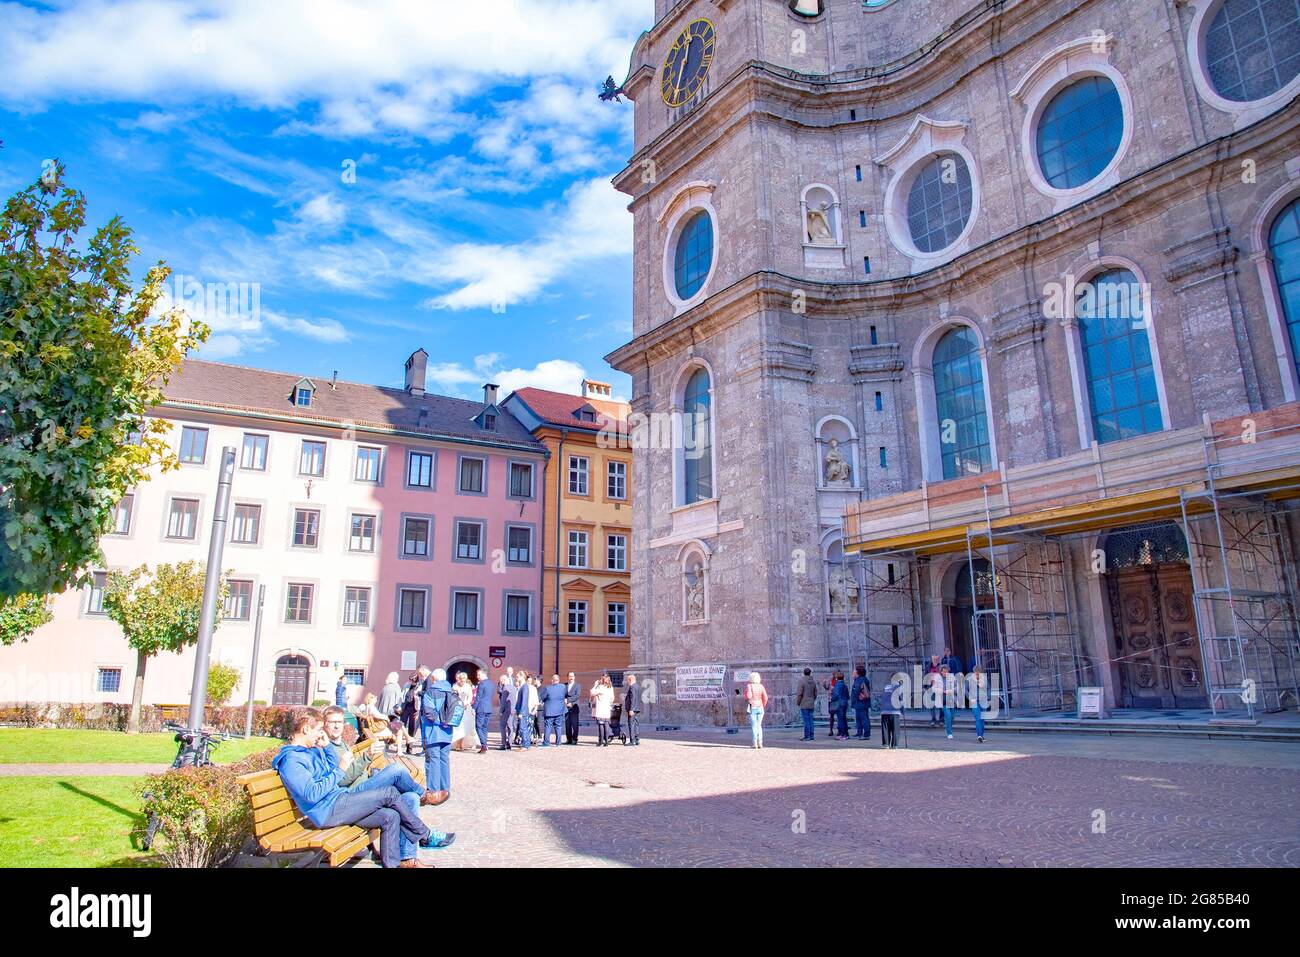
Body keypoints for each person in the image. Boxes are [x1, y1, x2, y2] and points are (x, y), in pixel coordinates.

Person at [273, 707, 434, 868]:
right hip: (327, 811)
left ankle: (393, 864)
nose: (320, 734)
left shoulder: (309, 751)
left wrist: (328, 747)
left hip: (338, 801)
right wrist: (341, 769)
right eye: (318, 730)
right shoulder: (292, 761)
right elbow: (312, 795)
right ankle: (425, 834)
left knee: (390, 816)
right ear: (306, 729)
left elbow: (329, 771)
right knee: (389, 793)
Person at [419, 668, 455, 801]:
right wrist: (446, 722)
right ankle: (445, 788)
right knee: (444, 759)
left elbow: (428, 712)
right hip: (447, 731)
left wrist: (439, 722)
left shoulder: (431, 692)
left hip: (433, 731)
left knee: (433, 759)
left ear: (434, 679)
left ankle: (433, 790)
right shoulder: (451, 690)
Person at [451, 671, 477, 752]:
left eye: (464, 680)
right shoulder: (455, 686)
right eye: (461, 680)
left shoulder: (468, 686)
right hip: (457, 708)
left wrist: (466, 703)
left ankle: (462, 744)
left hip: (466, 709)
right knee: (457, 727)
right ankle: (457, 744)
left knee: (465, 726)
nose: (463, 682)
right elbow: (452, 697)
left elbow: (470, 697)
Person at [539, 674, 567, 747]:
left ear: (552, 680)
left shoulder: (547, 688)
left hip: (549, 711)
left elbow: (543, 697)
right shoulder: (563, 687)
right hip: (560, 710)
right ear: (559, 680)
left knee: (548, 727)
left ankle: (546, 743)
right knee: (558, 726)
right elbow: (565, 695)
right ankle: (558, 743)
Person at [744, 671, 768, 749]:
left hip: (752, 706)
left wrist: (746, 692)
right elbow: (765, 697)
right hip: (760, 706)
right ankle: (760, 743)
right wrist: (763, 705)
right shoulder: (761, 686)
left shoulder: (749, 686)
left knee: (754, 726)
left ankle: (755, 743)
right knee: (759, 726)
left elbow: (749, 696)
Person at [514, 672, 538, 749]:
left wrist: (521, 712)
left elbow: (524, 700)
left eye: (517, 676)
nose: (516, 678)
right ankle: (526, 745)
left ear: (522, 677)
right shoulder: (522, 686)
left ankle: (525, 745)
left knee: (523, 728)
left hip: (523, 711)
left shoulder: (524, 687)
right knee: (523, 728)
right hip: (522, 711)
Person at [880, 674, 904, 749]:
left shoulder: (886, 687)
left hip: (884, 710)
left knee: (885, 728)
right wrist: (902, 711)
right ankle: (894, 745)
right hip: (894, 710)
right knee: (895, 728)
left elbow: (883, 697)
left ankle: (886, 744)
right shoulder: (899, 688)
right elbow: (901, 700)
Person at [400, 672, 422, 754]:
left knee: (412, 728)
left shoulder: (420, 686)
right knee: (402, 725)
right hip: (406, 707)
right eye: (411, 680)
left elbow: (419, 699)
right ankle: (399, 744)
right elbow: (402, 695)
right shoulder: (407, 685)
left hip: (414, 708)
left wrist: (418, 710)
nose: (411, 682)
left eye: (413, 680)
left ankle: (409, 746)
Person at [473, 669, 494, 754]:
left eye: (478, 675)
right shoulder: (492, 683)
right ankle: (485, 745)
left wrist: (474, 708)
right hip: (489, 708)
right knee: (484, 727)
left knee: (478, 727)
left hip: (481, 708)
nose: (477, 677)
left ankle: (484, 745)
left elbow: (478, 697)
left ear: (483, 674)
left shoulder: (482, 684)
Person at [590, 675, 614, 746]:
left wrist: (595, 685)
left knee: (601, 724)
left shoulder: (600, 687)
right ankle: (606, 741)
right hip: (606, 708)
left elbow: (592, 692)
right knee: (606, 725)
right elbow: (612, 698)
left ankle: (601, 741)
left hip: (600, 709)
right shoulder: (610, 688)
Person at [795, 667, 817, 741]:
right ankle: (811, 735)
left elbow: (799, 693)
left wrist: (798, 702)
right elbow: (815, 693)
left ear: (804, 673)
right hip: (811, 703)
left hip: (804, 703)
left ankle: (807, 736)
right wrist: (813, 700)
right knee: (811, 719)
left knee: (806, 720)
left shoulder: (802, 681)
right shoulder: (813, 681)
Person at [851, 665, 872, 740]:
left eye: (854, 671)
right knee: (860, 718)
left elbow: (856, 690)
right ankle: (860, 733)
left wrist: (856, 697)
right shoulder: (864, 679)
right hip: (863, 702)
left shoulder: (859, 680)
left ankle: (866, 734)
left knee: (863, 718)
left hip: (860, 702)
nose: (853, 672)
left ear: (858, 672)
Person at [969, 663, 987, 743]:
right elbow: (965, 689)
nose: (977, 674)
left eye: (979, 673)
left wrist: (988, 696)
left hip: (983, 700)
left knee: (982, 719)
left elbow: (989, 688)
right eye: (976, 673)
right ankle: (979, 735)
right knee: (978, 718)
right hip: (974, 701)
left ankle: (982, 735)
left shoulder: (984, 679)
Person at [497, 673, 515, 750]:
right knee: (510, 726)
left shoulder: (505, 688)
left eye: (501, 681)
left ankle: (503, 744)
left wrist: (501, 711)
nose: (501, 683)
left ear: (504, 680)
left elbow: (503, 701)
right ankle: (510, 743)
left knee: (502, 726)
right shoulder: (514, 687)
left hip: (505, 710)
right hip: (512, 709)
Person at [830, 671, 850, 740]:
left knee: (840, 719)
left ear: (836, 678)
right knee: (844, 718)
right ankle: (846, 733)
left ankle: (842, 734)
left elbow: (836, 694)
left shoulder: (837, 685)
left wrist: (832, 698)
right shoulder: (844, 685)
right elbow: (847, 695)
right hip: (844, 703)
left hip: (839, 703)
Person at [564, 672, 582, 744]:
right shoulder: (564, 685)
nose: (571, 677)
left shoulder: (577, 685)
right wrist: (565, 702)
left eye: (572, 676)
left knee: (575, 725)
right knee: (567, 725)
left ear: (574, 677)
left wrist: (569, 702)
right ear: (567, 677)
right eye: (569, 676)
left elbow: (577, 695)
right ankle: (569, 739)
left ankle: (575, 739)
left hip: (574, 707)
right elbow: (563, 695)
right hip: (566, 708)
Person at [940, 664, 957, 739]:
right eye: (943, 671)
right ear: (941, 672)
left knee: (952, 716)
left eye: (946, 671)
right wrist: (943, 691)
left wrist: (951, 690)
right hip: (942, 700)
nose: (945, 673)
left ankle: (947, 726)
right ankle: (949, 732)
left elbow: (957, 687)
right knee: (948, 715)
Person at [623, 674, 640, 746]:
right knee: (636, 724)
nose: (627, 682)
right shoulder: (638, 687)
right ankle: (637, 739)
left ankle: (632, 741)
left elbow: (633, 698)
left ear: (631, 680)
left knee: (631, 724)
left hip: (633, 709)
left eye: (627, 680)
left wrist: (631, 709)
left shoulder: (632, 687)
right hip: (637, 708)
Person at [926, 655, 942, 726]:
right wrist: (925, 687)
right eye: (934, 659)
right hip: (931, 687)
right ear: (932, 659)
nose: (935, 660)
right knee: (931, 704)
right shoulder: (928, 667)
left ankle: (941, 719)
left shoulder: (941, 667)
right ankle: (933, 719)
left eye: (936, 659)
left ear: (938, 659)